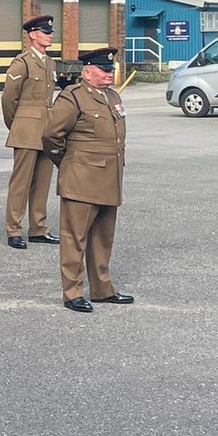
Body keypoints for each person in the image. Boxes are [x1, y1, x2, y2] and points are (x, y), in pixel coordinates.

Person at [42, 47, 134, 314]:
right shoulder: (74, 97)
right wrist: (68, 163)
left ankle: (102, 289)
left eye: (110, 69)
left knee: (103, 237)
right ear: (87, 72)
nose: (109, 73)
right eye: (104, 70)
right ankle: (72, 292)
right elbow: (50, 136)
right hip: (81, 178)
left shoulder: (112, 96)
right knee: (75, 238)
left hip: (108, 177)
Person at [2, 14, 59, 250]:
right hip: (26, 129)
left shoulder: (50, 63)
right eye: (45, 32)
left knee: (42, 182)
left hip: (46, 129)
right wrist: (17, 124)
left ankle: (38, 228)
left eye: (51, 32)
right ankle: (14, 229)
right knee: (21, 183)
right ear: (33, 35)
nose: (50, 35)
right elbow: (9, 99)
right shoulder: (22, 63)